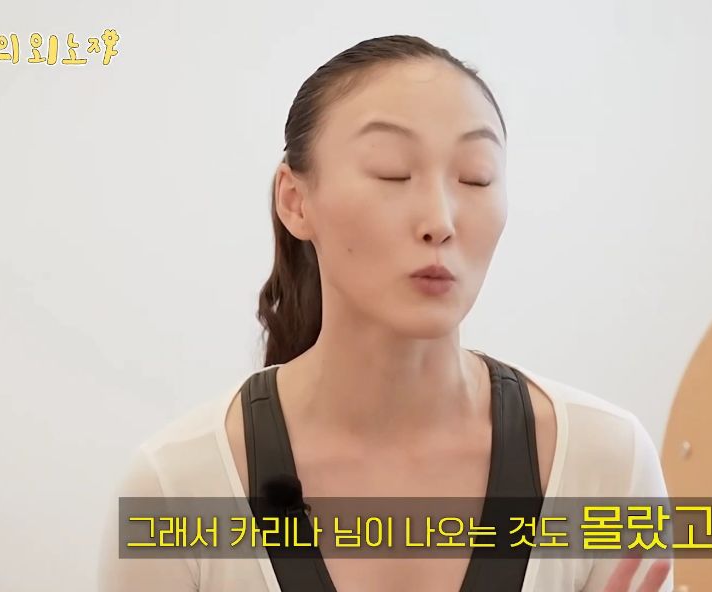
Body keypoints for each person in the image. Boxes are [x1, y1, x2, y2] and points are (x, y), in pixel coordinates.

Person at [98, 34, 673, 592]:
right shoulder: (176, 487)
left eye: (475, 177)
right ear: (295, 201)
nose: (440, 220)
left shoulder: (607, 463)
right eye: (393, 172)